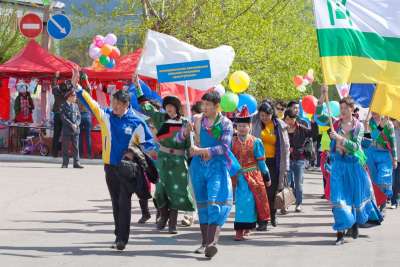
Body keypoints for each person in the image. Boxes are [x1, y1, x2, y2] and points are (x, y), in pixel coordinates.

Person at [73, 68, 155, 251]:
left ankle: (122, 239)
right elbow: (91, 104)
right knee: (115, 202)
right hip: (110, 168)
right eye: (114, 103)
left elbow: (149, 144)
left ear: (127, 105)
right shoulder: (107, 117)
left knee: (124, 202)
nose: (115, 106)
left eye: (119, 104)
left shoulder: (137, 122)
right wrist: (77, 87)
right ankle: (118, 234)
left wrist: (133, 152)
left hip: (128, 169)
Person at [316, 86, 381, 245]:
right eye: (341, 108)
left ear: (352, 109)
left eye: (346, 108)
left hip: (354, 166)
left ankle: (353, 224)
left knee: (354, 199)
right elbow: (318, 117)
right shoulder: (335, 123)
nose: (343, 111)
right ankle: (339, 234)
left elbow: (356, 146)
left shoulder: (358, 126)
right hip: (338, 166)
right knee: (338, 199)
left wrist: (339, 138)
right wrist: (321, 97)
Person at [178, 91, 236, 259]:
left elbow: (224, 147)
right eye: (203, 105)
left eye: (208, 106)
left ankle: (212, 243)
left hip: (216, 167)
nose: (205, 108)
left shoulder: (226, 123)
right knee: (202, 204)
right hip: (197, 167)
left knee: (215, 202)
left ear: (217, 106)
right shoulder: (196, 119)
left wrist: (202, 150)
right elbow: (179, 138)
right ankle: (205, 243)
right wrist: (185, 130)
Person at [137, 87, 195, 234]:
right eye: (167, 106)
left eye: (172, 106)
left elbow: (190, 145)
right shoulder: (160, 118)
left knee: (175, 190)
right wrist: (138, 87)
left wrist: (189, 137)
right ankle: (163, 216)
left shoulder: (185, 122)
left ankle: (172, 224)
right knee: (160, 190)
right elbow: (146, 107)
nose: (169, 108)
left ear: (177, 108)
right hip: (163, 160)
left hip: (178, 161)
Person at [232, 106, 271, 240]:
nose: (242, 128)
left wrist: (266, 176)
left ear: (250, 126)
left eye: (245, 126)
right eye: (239, 126)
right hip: (239, 178)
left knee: (252, 202)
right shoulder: (232, 141)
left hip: (254, 176)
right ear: (236, 127)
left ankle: (247, 227)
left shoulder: (256, 142)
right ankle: (239, 230)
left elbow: (261, 162)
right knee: (242, 202)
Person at [252, 101, 290, 225]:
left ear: (271, 113)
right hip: (258, 162)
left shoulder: (279, 125)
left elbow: (286, 147)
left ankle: (272, 215)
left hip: (275, 163)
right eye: (261, 115)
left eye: (266, 115)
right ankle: (262, 220)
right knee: (259, 191)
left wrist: (287, 166)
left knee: (272, 191)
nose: (264, 118)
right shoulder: (256, 123)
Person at [365, 112, 397, 210]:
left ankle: (383, 204)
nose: (374, 113)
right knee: (373, 180)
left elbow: (392, 141)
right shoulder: (369, 122)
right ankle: (377, 203)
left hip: (384, 154)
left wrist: (395, 158)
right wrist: (367, 128)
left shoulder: (389, 124)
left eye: (376, 111)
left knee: (383, 178)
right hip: (371, 152)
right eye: (373, 111)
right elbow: (369, 138)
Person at [284, 109, 313, 212]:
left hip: (299, 159)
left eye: (290, 119)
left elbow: (312, 134)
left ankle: (298, 203)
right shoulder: (282, 129)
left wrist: (313, 123)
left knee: (298, 183)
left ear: (294, 118)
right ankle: (286, 204)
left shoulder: (301, 128)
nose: (288, 121)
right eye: (286, 119)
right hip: (286, 159)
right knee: (287, 183)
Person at [60, 89, 83, 169]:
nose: (75, 97)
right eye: (74, 96)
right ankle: (65, 163)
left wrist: (76, 124)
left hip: (75, 130)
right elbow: (63, 117)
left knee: (76, 147)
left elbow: (79, 117)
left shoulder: (75, 106)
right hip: (67, 130)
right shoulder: (63, 106)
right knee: (65, 147)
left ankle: (76, 163)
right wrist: (71, 124)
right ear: (69, 97)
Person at [51, 72, 68, 157]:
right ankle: (64, 153)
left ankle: (54, 153)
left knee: (56, 134)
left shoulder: (56, 92)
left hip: (57, 115)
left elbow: (53, 84)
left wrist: (56, 77)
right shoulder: (67, 94)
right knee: (65, 135)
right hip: (64, 115)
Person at [77, 73, 92, 159]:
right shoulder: (87, 95)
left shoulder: (78, 94)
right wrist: (86, 79)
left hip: (79, 115)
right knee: (88, 136)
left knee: (79, 136)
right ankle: (89, 154)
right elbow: (89, 88)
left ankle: (80, 154)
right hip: (87, 115)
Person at [391, 119, 400, 209]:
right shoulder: (390, 129)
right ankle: (394, 201)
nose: (394, 121)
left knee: (397, 181)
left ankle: (396, 199)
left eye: (395, 120)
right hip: (393, 159)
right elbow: (373, 135)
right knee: (393, 181)